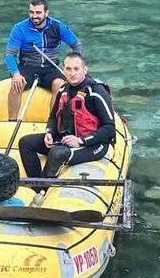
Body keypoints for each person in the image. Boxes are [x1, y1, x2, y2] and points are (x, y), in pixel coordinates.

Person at [18, 52, 116, 184]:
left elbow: (109, 129)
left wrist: (80, 141)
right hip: (65, 139)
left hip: (93, 145)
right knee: (25, 142)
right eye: (68, 69)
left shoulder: (96, 92)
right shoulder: (63, 90)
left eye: (76, 69)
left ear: (85, 70)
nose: (72, 73)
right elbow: (53, 117)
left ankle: (42, 188)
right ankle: (35, 183)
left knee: (57, 153)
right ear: (63, 70)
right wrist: (50, 133)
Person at [5, 0, 82, 120]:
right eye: (31, 12)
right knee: (16, 85)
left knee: (60, 85)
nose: (34, 16)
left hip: (50, 67)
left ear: (46, 13)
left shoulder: (58, 27)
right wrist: (15, 73)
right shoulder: (19, 28)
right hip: (27, 66)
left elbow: (76, 45)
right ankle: (12, 120)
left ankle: (52, 122)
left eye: (38, 13)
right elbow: (10, 54)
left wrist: (72, 64)